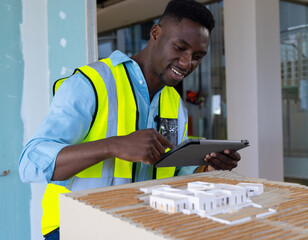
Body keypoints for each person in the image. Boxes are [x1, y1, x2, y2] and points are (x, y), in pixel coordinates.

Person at [19, 0, 240, 239]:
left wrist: (205, 168)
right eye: (179, 47)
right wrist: (112, 145)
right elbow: (30, 164)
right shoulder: (91, 83)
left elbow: (172, 170)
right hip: (74, 227)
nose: (187, 63)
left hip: (139, 227)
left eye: (197, 56)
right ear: (156, 33)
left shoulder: (175, 103)